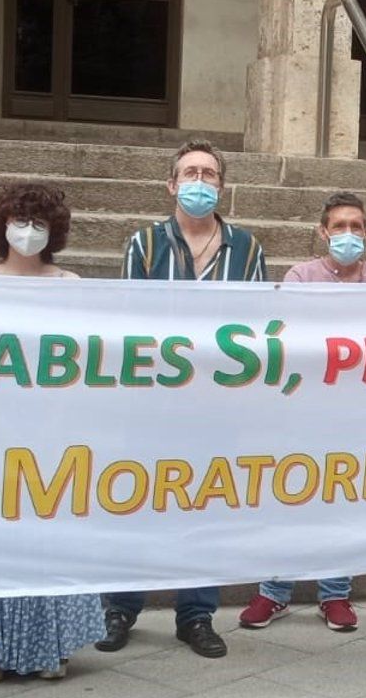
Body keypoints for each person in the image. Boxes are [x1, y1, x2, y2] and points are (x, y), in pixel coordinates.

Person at [99, 140, 266, 660]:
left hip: (217, 406)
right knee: (136, 501)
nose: (199, 181)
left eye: (209, 174)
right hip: (153, 403)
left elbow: (257, 327)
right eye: (189, 172)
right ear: (171, 184)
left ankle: (195, 614)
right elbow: (131, 324)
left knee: (206, 504)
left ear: (222, 186)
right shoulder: (144, 244)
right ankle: (121, 606)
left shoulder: (248, 249)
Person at [0, 183, 105, 681]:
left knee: (51, 537)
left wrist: (56, 419)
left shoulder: (71, 285)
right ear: (0, 226)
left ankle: (50, 640)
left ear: (54, 232)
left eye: (39, 223)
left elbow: (83, 363)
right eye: (19, 221)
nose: (28, 232)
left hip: (59, 431)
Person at [238, 192, 366, 634]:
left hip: (355, 411)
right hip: (301, 409)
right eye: (339, 226)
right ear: (323, 232)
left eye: (356, 226)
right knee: (289, 494)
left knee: (343, 499)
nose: (348, 234)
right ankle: (274, 591)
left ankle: (336, 593)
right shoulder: (300, 276)